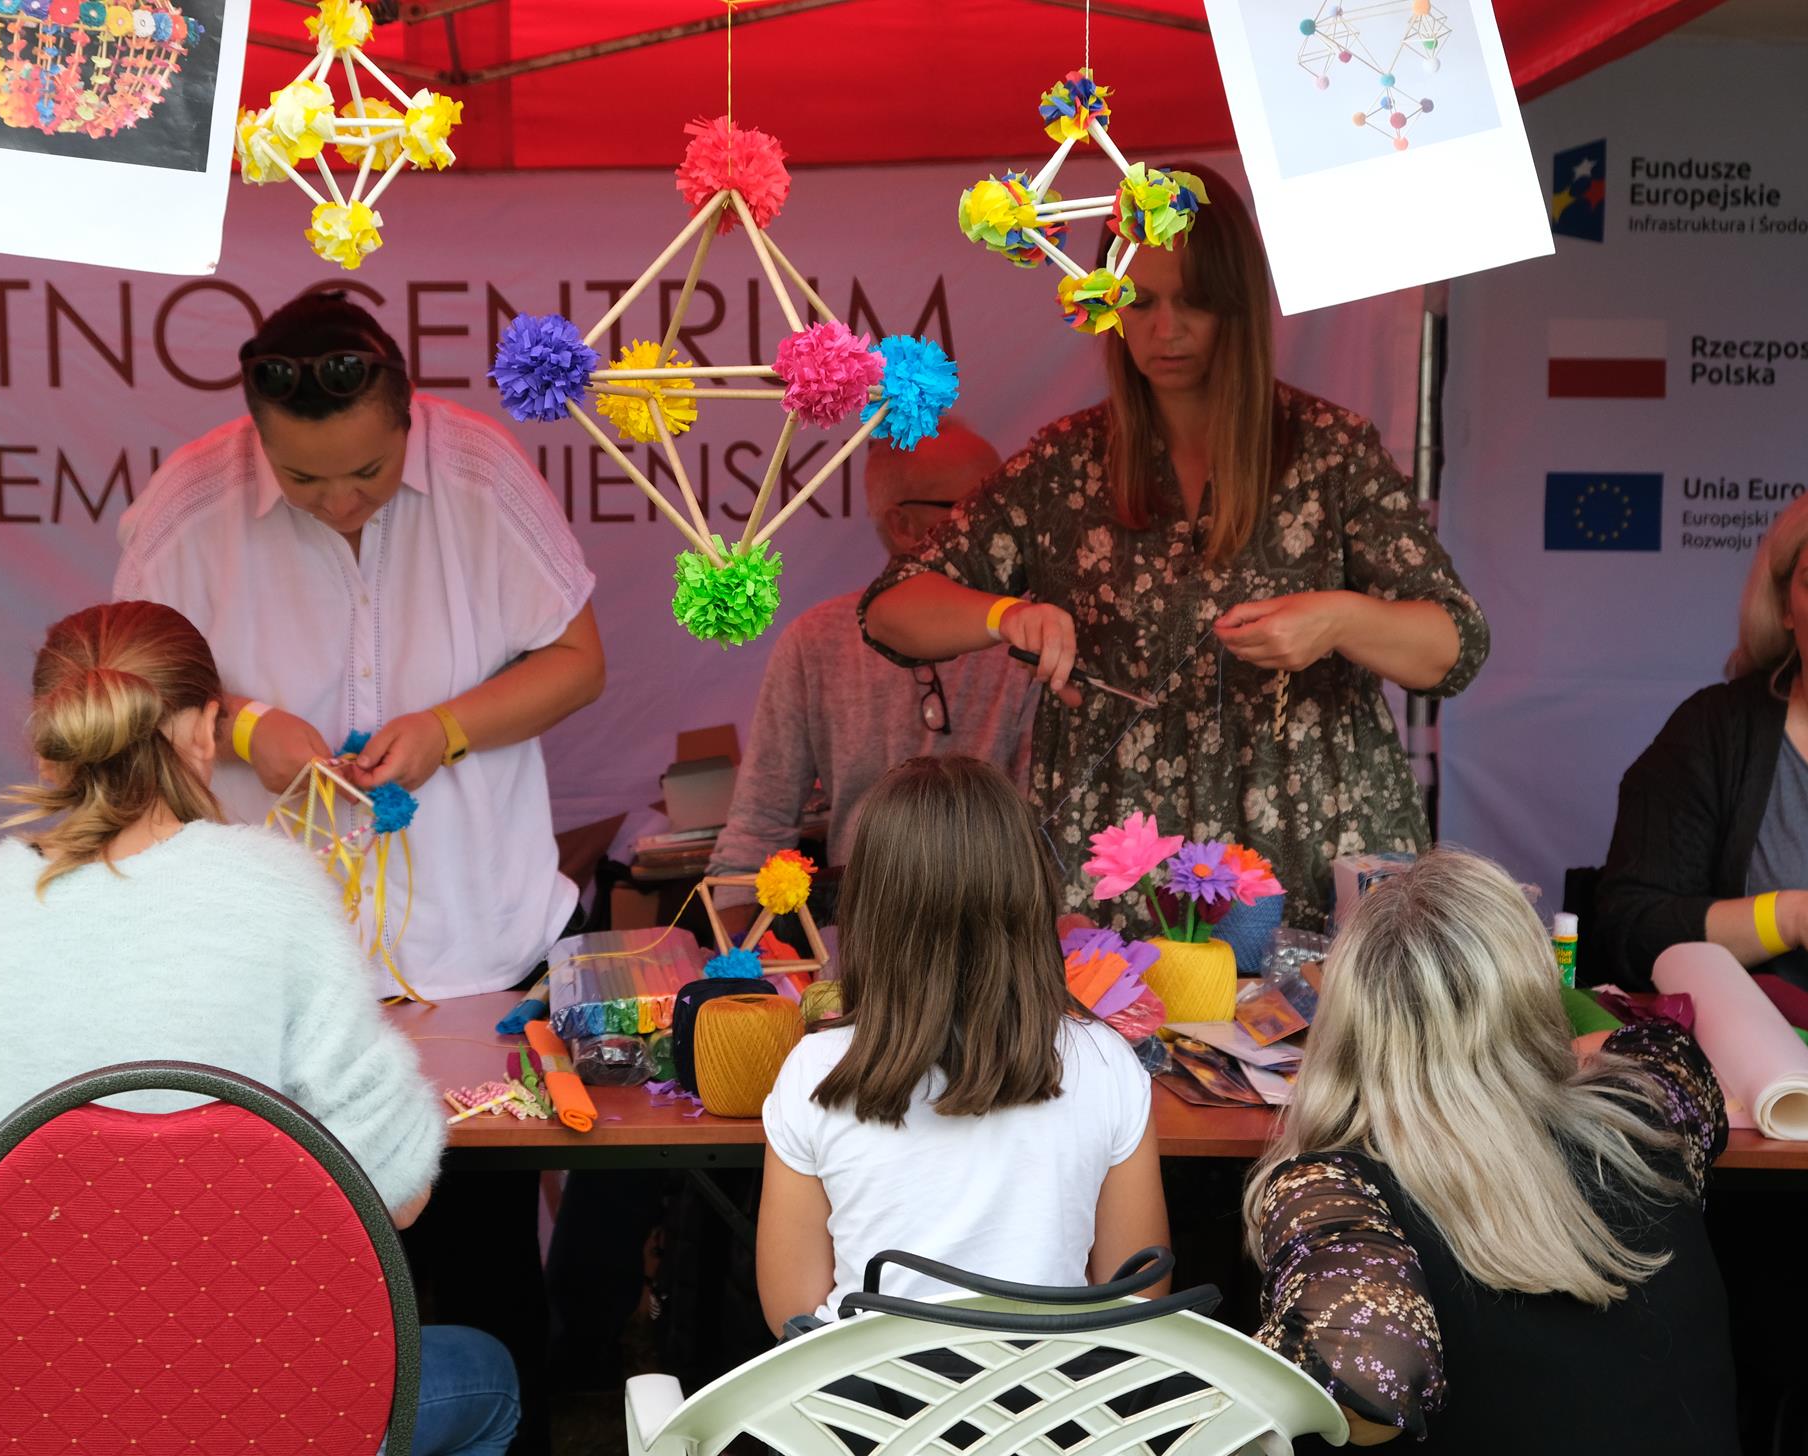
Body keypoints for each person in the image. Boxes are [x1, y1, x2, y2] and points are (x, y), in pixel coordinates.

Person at [0, 601, 519, 1456]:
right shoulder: (275, 891)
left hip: (19, 1417)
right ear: (205, 730)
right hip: (267, 1417)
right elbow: (398, 1194)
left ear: (49, 739)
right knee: (488, 1375)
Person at [858, 164, 1486, 930]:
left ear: (1237, 305)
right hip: (1119, 866)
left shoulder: (1329, 451)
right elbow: (890, 609)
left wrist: (1340, 619)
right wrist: (1003, 615)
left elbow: (1455, 646)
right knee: (1111, 1013)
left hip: (1308, 846)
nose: (1165, 331)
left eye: (1193, 302)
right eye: (1139, 301)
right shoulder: (1066, 464)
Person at [113, 288, 604, 1001]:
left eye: (369, 472)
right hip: (267, 964)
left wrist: (446, 730)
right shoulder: (189, 503)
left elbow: (578, 664)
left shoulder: (480, 471)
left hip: (485, 941)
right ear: (260, 437)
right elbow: (125, 698)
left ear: (409, 416)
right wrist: (242, 729)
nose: (340, 501)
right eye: (302, 478)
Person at [1245, 848, 1734, 1452]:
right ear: (1533, 1001)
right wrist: (1520, 1064)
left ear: (1346, 1023)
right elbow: (1664, 1042)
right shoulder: (1648, 1110)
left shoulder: (1334, 1187)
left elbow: (1369, 1382)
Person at [755, 756, 1169, 1331]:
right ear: (1031, 893)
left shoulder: (816, 1071)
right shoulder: (1106, 1061)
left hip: (864, 1388)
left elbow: (792, 1315)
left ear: (868, 908)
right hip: (1056, 1386)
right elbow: (1137, 1301)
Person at [706, 421, 1038, 931]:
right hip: (863, 944)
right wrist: (735, 957)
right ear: (903, 525)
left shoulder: (1035, 632)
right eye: (980, 509)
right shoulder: (816, 641)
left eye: (1011, 504)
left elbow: (1062, 832)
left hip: (1011, 935)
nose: (1008, 525)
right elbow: (757, 830)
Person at [1595, 492, 1808, 988]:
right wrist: (1791, 918)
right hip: (1761, 1035)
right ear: (1786, 607)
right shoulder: (1714, 730)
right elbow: (1631, 929)